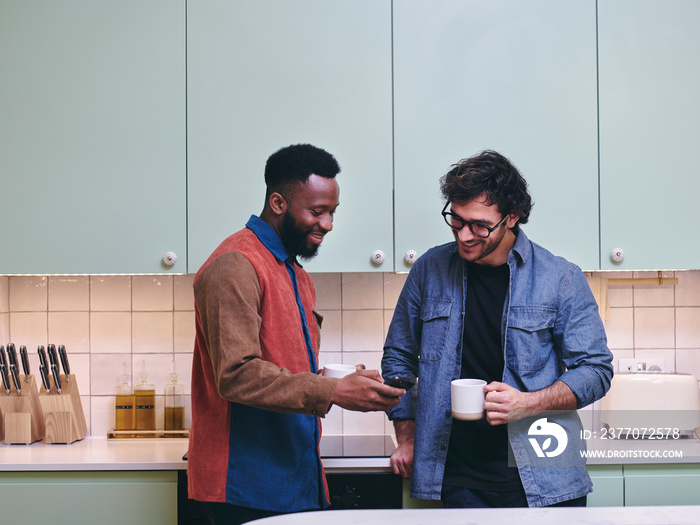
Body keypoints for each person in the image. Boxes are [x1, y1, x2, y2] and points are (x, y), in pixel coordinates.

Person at [382, 150, 613, 508]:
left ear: (513, 217)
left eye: (479, 225)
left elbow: (596, 371)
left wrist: (528, 403)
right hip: (457, 479)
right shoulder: (429, 269)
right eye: (456, 221)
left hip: (547, 477)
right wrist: (407, 438)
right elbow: (398, 359)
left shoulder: (561, 278)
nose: (465, 235)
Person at [188, 144, 404, 525]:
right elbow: (236, 374)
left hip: (294, 478)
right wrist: (333, 392)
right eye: (317, 211)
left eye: (332, 212)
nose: (328, 224)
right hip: (242, 488)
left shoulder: (294, 273)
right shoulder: (235, 265)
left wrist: (339, 382)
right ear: (278, 202)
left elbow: (281, 367)